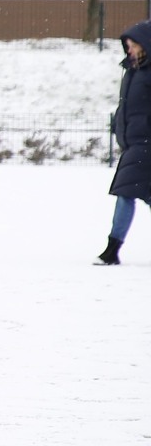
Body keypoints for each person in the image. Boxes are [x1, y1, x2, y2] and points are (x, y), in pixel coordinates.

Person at [97, 21, 150, 264]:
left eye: (132, 46)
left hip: (144, 144)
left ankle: (112, 250)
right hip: (134, 143)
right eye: (127, 46)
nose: (128, 51)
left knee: (125, 193)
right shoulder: (132, 71)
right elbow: (126, 107)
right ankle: (112, 250)